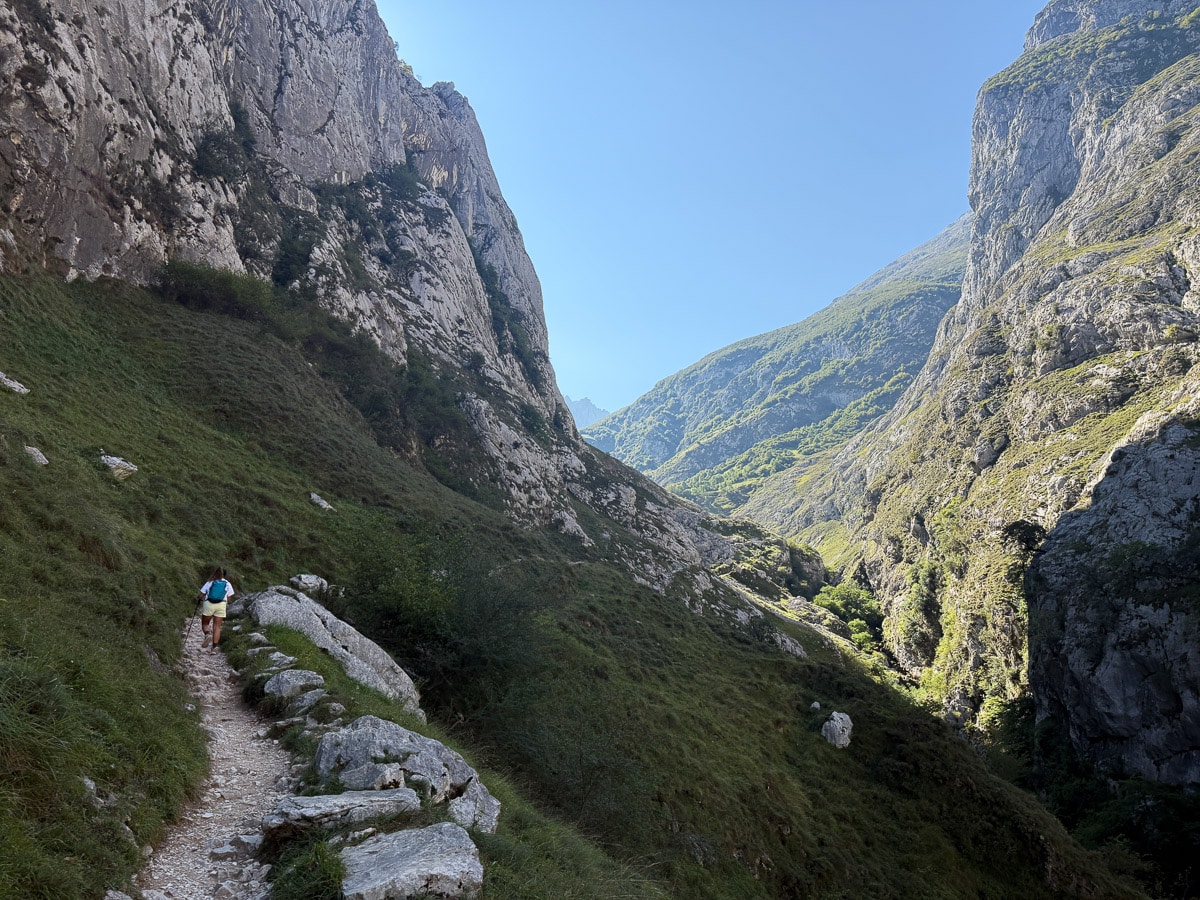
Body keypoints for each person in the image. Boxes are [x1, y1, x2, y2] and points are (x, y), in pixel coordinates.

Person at [197, 568, 234, 650]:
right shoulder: (227, 583)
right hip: (221, 605)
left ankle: (207, 634)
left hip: (209, 604)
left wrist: (199, 598)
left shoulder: (210, 582)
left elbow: (201, 595)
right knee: (217, 627)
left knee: (205, 623)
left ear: (215, 573)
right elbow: (229, 598)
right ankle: (213, 649)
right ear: (224, 575)